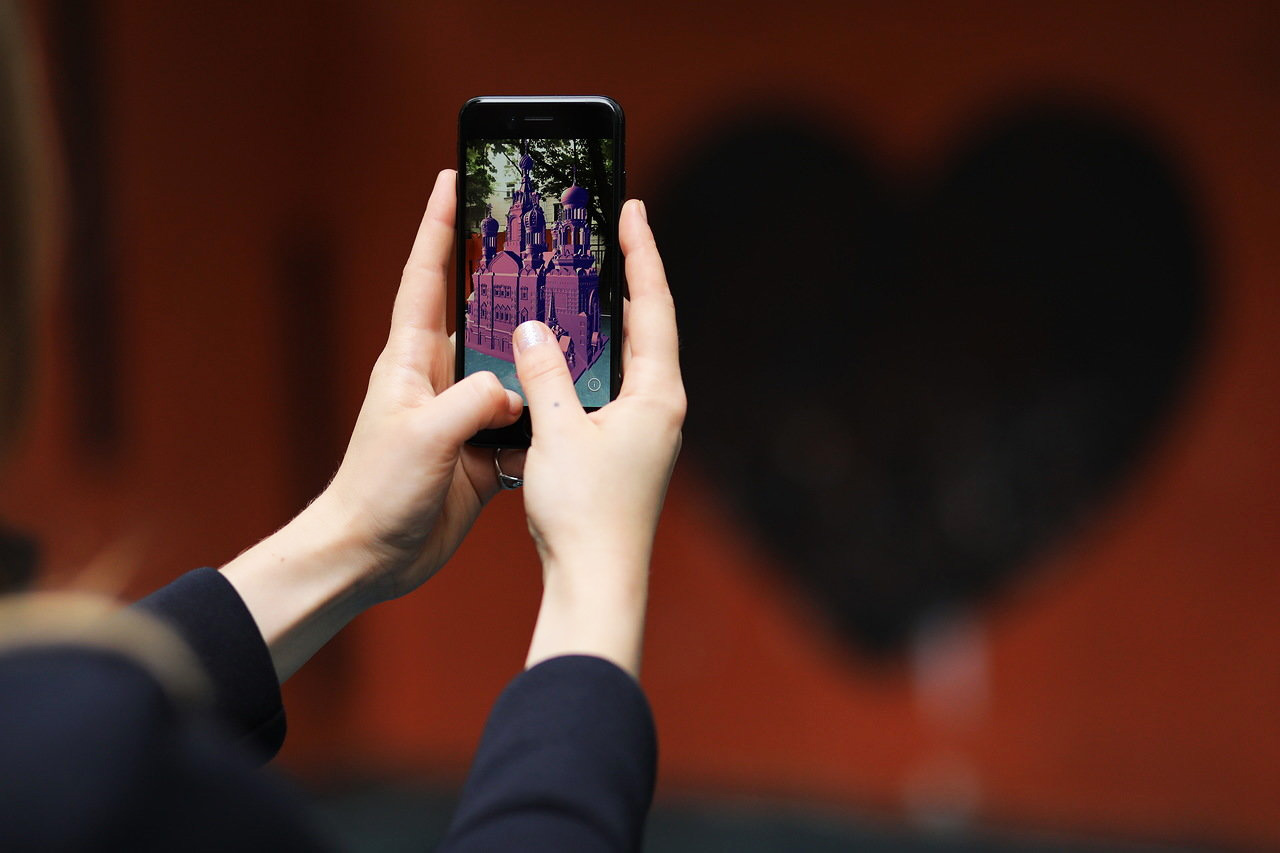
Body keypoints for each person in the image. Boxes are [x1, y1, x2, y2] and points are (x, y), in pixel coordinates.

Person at [0, 169, 686, 851]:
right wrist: (595, 564)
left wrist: (355, 533)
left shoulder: (68, 740)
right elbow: (90, 746)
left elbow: (63, 722)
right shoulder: (110, 776)